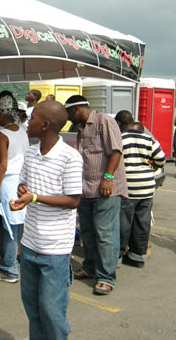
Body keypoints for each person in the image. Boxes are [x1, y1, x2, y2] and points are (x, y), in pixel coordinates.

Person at [10, 100, 83, 340]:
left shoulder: (69, 157)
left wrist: (36, 197)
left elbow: (73, 200)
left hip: (56, 249)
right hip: (31, 244)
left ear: (46, 125)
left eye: (32, 119)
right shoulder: (30, 152)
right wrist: (23, 195)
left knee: (52, 312)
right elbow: (24, 183)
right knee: (33, 310)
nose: (28, 122)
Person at [65, 95, 127, 296]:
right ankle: (90, 266)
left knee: (105, 233)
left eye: (68, 113)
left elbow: (116, 151)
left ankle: (106, 276)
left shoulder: (104, 121)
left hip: (105, 188)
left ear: (76, 109)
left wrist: (108, 177)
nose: (67, 118)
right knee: (88, 232)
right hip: (86, 188)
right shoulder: (81, 129)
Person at [115, 110, 166, 268]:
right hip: (146, 187)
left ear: (119, 124)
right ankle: (138, 257)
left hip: (127, 187)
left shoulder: (119, 138)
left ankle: (117, 256)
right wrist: (150, 167)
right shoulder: (148, 138)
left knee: (123, 223)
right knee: (142, 222)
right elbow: (161, 159)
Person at [0, 96, 29, 284]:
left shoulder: (2, 134)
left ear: (1, 113)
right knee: (17, 225)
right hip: (22, 181)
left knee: (8, 226)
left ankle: (9, 268)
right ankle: (13, 261)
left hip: (8, 181)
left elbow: (2, 164)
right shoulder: (23, 131)